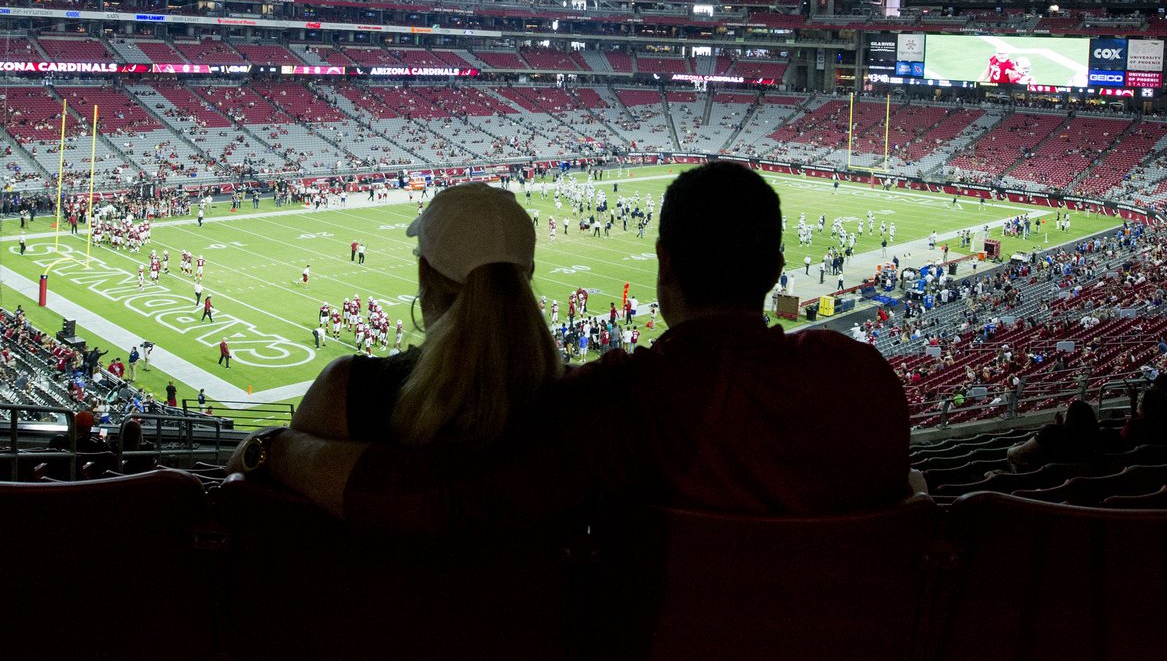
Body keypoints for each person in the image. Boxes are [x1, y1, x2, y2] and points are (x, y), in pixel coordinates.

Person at [250, 162, 911, 533]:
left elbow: (426, 498)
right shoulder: (864, 385)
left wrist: (273, 449)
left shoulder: (625, 405)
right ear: (773, 270)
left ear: (664, 265)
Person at [272, 182, 560, 451]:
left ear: (424, 274)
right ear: (529, 273)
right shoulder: (574, 396)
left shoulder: (351, 387)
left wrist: (274, 449)